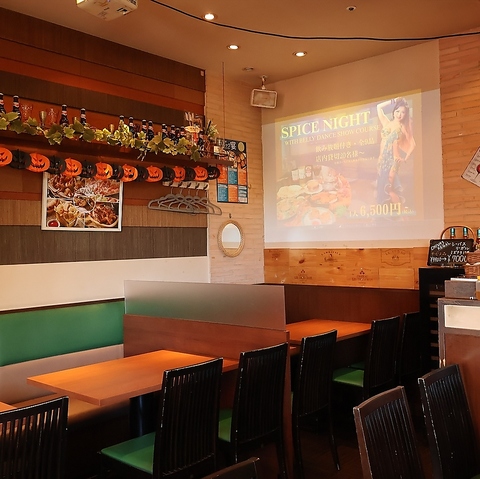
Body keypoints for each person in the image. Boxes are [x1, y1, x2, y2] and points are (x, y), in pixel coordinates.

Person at [376, 97, 416, 205]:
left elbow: (413, 144)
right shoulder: (386, 123)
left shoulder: (403, 127)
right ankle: (388, 211)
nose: (399, 114)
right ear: (394, 111)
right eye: (397, 111)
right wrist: (393, 101)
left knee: (389, 188)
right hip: (382, 160)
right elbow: (378, 107)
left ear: (405, 114)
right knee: (382, 188)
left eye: (403, 112)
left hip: (393, 160)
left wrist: (405, 158)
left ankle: (399, 210)